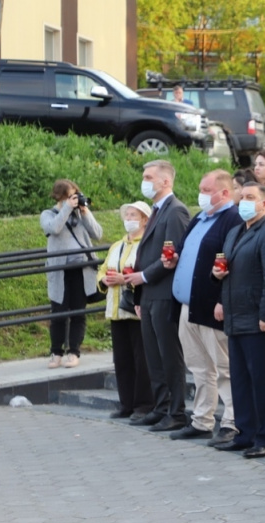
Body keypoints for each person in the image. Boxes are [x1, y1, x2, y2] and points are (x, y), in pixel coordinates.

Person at [164, 170, 245, 447]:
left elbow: (233, 264)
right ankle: (201, 421)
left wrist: (223, 300)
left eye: (207, 189)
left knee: (224, 367)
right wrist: (176, 258)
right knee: (199, 366)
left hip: (212, 307)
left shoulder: (233, 219)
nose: (201, 194)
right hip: (188, 304)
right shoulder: (200, 217)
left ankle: (233, 422)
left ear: (224, 193)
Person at [211, 182, 265, 458]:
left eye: (250, 197)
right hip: (236, 316)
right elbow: (226, 268)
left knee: (263, 383)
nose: (243, 201)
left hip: (258, 321)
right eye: (241, 196)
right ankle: (245, 433)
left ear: (264, 204)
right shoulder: (234, 232)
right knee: (241, 380)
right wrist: (217, 278)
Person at [123, 160, 191, 432]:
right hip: (149, 294)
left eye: (150, 177)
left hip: (164, 293)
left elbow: (171, 255)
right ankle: (161, 407)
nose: (145, 181)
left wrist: (144, 277)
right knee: (154, 355)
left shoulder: (176, 211)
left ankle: (176, 412)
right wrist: (139, 294)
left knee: (169, 356)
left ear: (165, 181)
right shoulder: (156, 210)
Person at [96, 202, 154, 422]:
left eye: (133, 215)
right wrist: (104, 279)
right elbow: (102, 269)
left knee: (142, 360)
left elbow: (147, 272)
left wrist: (125, 279)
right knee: (122, 360)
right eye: (127, 214)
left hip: (136, 310)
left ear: (144, 219)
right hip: (116, 310)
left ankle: (144, 404)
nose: (128, 218)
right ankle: (126, 403)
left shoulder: (146, 244)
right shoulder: (117, 245)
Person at [41, 179, 103, 369]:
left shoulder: (79, 213)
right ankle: (56, 353)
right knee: (58, 313)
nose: (74, 200)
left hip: (81, 270)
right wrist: (66, 208)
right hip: (59, 271)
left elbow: (98, 234)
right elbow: (53, 228)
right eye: (70, 196)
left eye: (75, 195)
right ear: (60, 196)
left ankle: (74, 352)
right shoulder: (48, 214)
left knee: (78, 312)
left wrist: (85, 212)